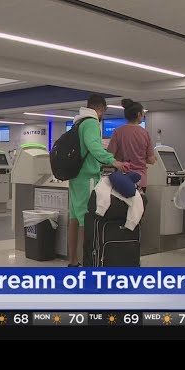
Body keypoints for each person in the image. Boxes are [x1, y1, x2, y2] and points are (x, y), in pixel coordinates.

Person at [67, 94, 126, 267]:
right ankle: (86, 261)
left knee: (74, 218)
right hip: (87, 177)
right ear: (102, 109)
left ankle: (73, 261)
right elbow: (94, 146)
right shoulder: (91, 122)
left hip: (75, 177)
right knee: (86, 219)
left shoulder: (78, 122)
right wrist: (112, 161)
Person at [107, 98, 155, 192]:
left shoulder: (118, 132)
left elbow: (109, 155)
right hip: (140, 179)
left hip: (122, 179)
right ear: (139, 114)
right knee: (139, 201)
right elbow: (151, 160)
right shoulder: (145, 133)